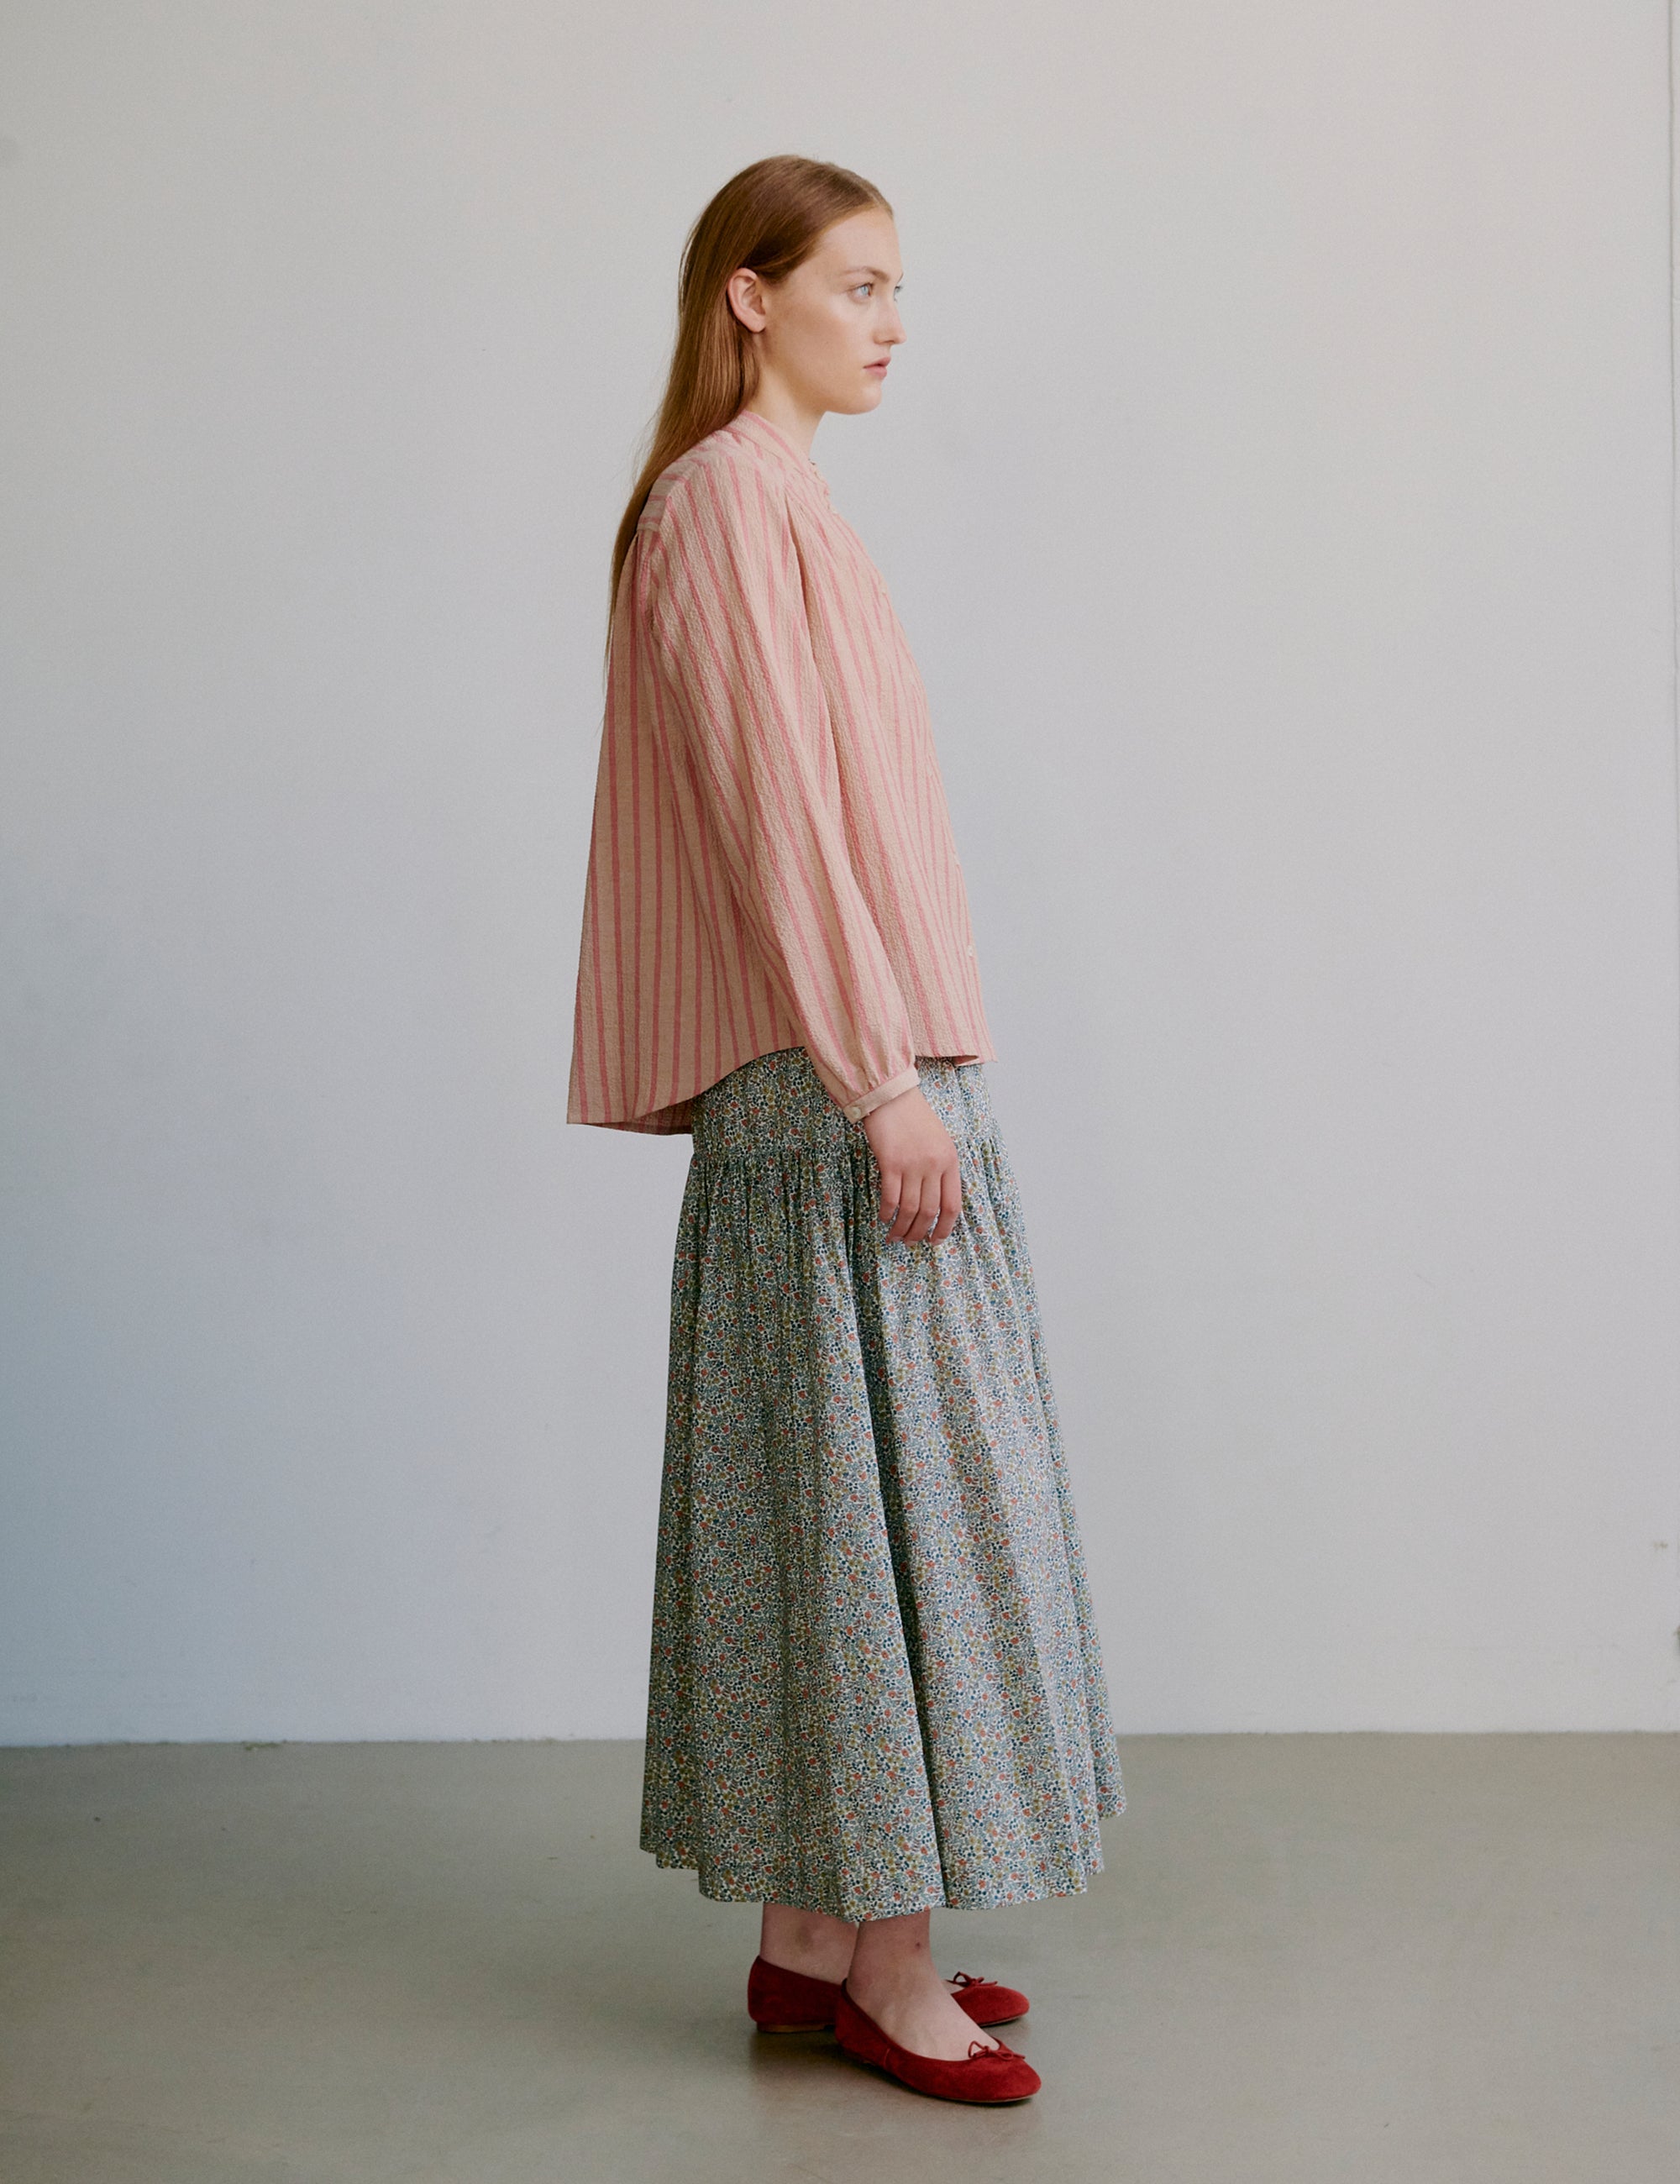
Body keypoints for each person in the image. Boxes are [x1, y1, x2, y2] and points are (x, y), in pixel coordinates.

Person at [568, 153, 1123, 2107]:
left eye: (900, 289)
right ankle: (890, 1970)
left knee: (841, 1509)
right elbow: (776, 822)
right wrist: (885, 1077)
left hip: (841, 1062)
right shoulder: (728, 502)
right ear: (752, 294)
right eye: (858, 284)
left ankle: (810, 1945)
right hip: (836, 1077)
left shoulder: (770, 500)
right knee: (906, 1523)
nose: (892, 322)